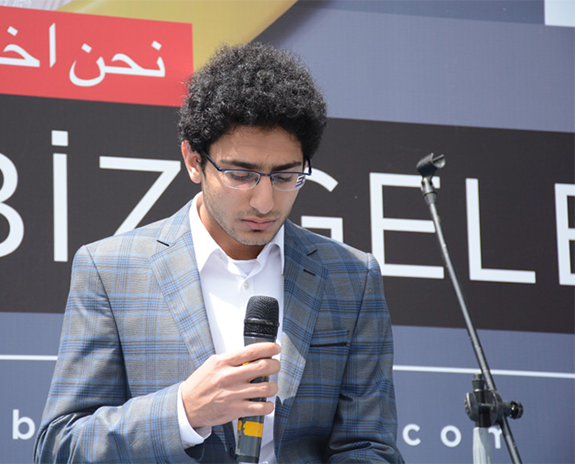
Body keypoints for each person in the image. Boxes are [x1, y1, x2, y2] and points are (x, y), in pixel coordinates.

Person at [35, 42, 402, 463]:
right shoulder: (110, 270)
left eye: (285, 176)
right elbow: (60, 447)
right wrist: (183, 411)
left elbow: (368, 447)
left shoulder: (352, 277)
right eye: (241, 175)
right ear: (194, 161)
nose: (265, 202)